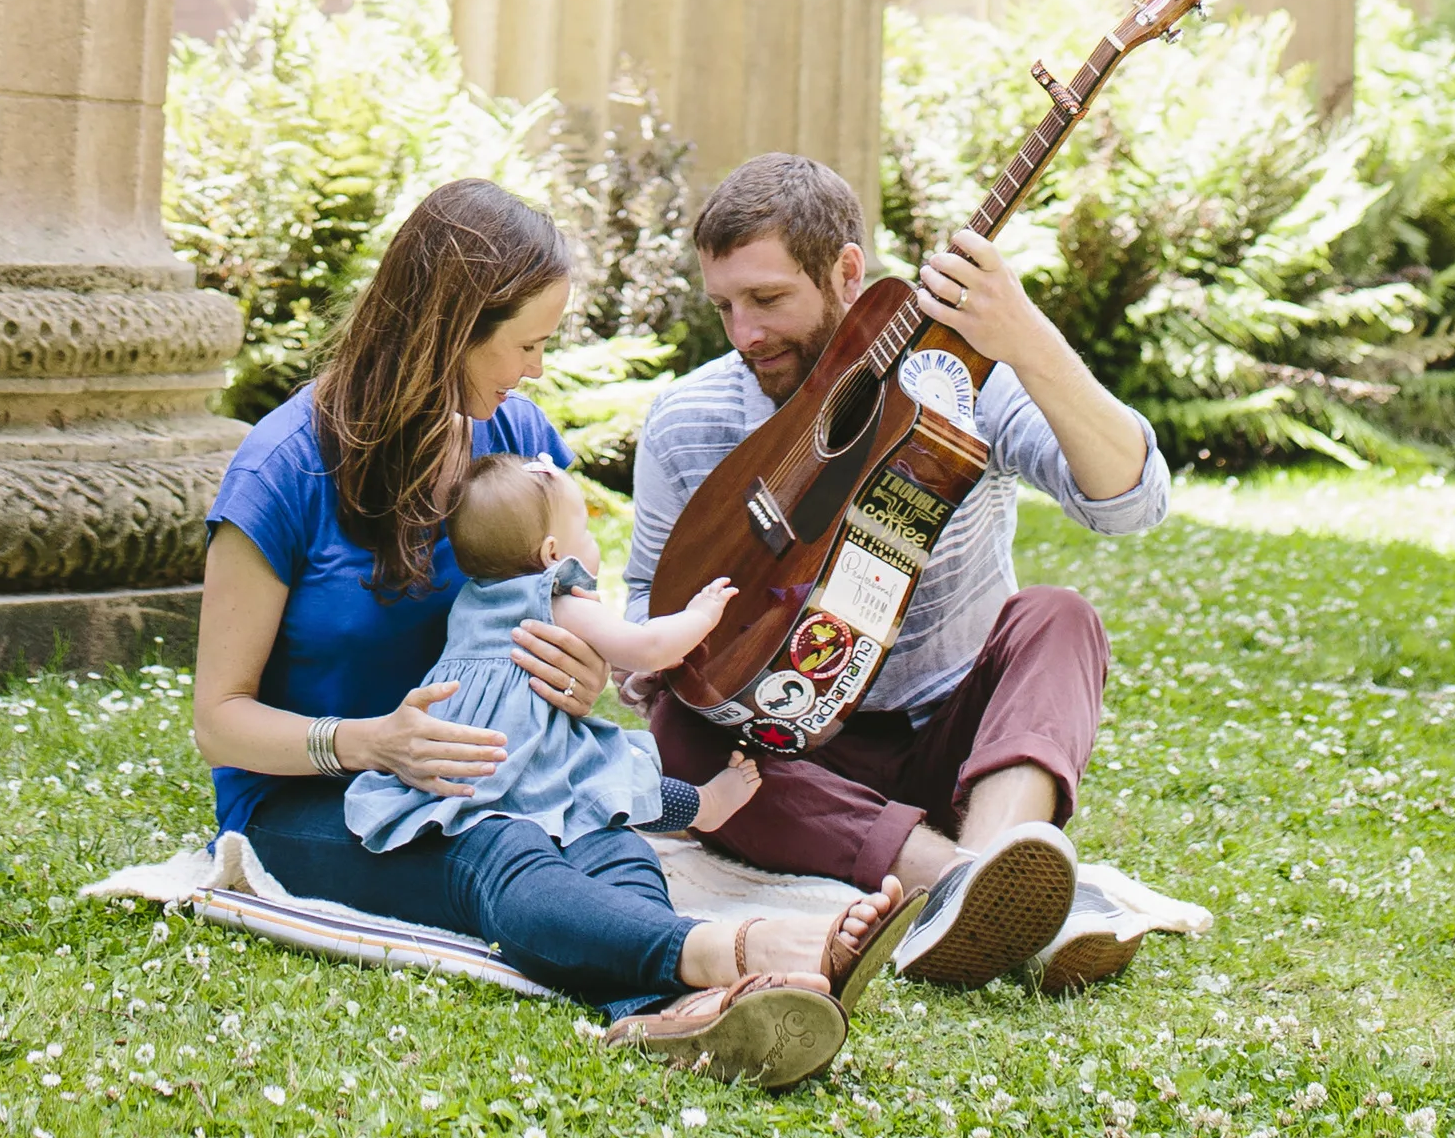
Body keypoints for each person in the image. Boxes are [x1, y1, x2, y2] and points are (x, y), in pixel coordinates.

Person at [191, 177, 910, 1090]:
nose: (535, 371)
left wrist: (582, 678)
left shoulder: (517, 440)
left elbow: (574, 618)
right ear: (448, 329)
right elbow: (219, 719)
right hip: (318, 801)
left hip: (509, 763)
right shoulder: (282, 468)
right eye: (526, 343)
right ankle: (737, 947)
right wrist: (374, 742)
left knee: (604, 832)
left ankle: (663, 1013)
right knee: (502, 848)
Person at [629, 152, 1173, 995]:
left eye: (768, 299)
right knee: (680, 728)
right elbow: (643, 601)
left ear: (848, 271)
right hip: (787, 753)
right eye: (724, 305)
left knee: (1062, 617)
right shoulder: (688, 418)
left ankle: (985, 870)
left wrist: (1027, 339)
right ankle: (972, 886)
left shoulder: (959, 379)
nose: (744, 334)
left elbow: (1130, 502)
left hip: (948, 739)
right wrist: (654, 654)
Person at [345, 448, 759, 850]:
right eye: (585, 533)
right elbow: (646, 647)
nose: (594, 543)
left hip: (458, 758)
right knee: (604, 775)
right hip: (524, 752)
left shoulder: (471, 602)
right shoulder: (558, 601)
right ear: (553, 555)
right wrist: (702, 615)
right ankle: (705, 806)